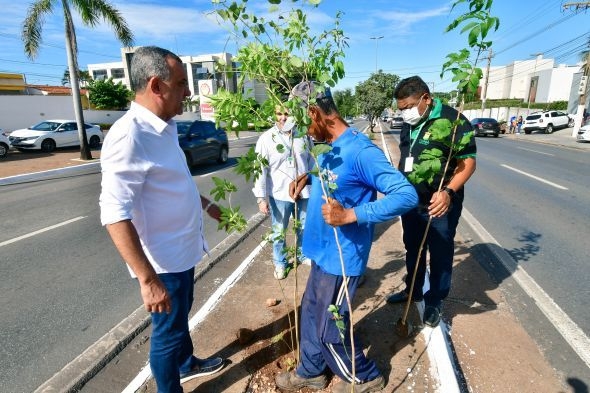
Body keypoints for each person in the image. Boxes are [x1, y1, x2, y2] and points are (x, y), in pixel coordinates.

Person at [274, 81, 418, 393]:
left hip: (342, 257)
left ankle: (364, 376)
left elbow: (406, 195)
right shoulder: (325, 144)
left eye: (303, 122)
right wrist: (307, 176)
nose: (303, 132)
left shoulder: (361, 152)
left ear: (315, 112)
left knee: (329, 329)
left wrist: (350, 215)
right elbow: (332, 177)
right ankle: (311, 371)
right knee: (311, 314)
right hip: (320, 252)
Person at [99, 46, 224, 393]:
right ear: (157, 86)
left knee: (180, 319)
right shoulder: (130, 137)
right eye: (182, 83)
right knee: (167, 335)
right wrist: (148, 280)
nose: (188, 91)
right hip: (162, 265)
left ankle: (186, 364)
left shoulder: (164, 128)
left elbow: (171, 185)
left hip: (182, 253)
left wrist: (205, 205)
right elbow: (113, 214)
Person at [385, 75, 477, 328]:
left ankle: (435, 299)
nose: (405, 113)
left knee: (440, 250)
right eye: (401, 109)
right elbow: (406, 157)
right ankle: (412, 290)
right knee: (413, 247)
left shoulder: (453, 121)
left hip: (441, 203)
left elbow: (467, 163)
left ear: (426, 98)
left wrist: (448, 191)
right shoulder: (410, 122)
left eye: (408, 107)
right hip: (411, 201)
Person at [253, 105, 314, 279]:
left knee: (303, 226)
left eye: (287, 113)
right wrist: (260, 198)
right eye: (279, 113)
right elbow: (260, 169)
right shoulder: (266, 139)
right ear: (274, 115)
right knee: (279, 230)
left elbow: (310, 162)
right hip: (279, 194)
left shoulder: (303, 135)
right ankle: (280, 262)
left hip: (303, 193)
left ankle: (303, 254)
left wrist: (309, 183)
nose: (283, 118)